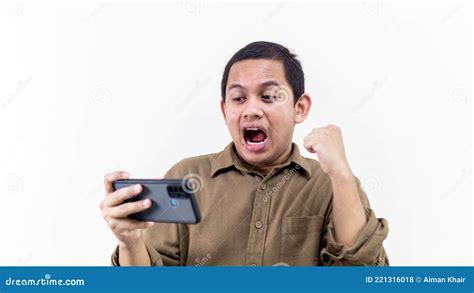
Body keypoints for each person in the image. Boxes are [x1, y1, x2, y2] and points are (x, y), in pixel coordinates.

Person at [100, 41, 389, 266]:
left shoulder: (332, 185)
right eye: (238, 98)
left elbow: (361, 276)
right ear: (225, 110)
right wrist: (130, 242)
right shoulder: (186, 177)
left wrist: (340, 173)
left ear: (299, 108)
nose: (251, 109)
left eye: (269, 96)